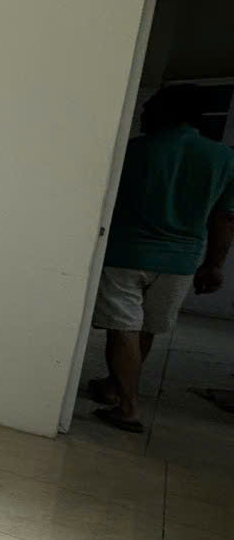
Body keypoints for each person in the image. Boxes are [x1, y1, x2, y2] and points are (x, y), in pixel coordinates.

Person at [89, 84, 234, 432]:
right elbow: (225, 218)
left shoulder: (134, 151)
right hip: (180, 262)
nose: (142, 114)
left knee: (123, 329)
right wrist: (214, 265)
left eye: (148, 108)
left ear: (166, 112)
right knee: (146, 328)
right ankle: (114, 386)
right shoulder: (223, 158)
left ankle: (128, 407)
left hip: (126, 254)